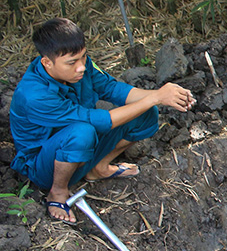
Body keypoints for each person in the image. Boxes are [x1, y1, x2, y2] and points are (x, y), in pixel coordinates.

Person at [9, 18, 196, 224]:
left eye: (83, 57)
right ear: (47, 62)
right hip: (46, 166)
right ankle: (58, 192)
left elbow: (112, 89)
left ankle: (98, 168)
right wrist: (156, 97)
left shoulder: (83, 66)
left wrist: (161, 96)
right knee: (82, 132)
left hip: (83, 147)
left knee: (146, 113)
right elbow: (97, 121)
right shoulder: (35, 95)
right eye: (72, 62)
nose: (81, 67)